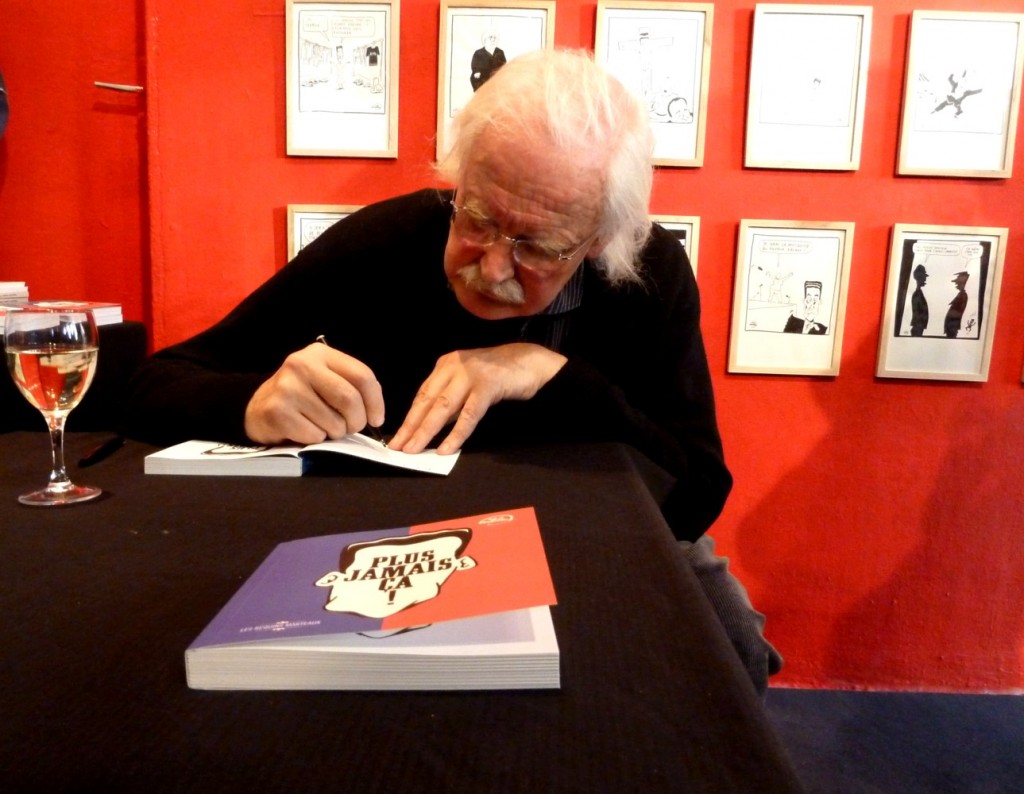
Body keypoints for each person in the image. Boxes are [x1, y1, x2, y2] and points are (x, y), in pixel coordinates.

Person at [121, 48, 781, 694]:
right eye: (479, 219)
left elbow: (695, 493)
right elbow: (152, 384)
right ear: (458, 181)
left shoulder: (648, 274)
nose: (491, 268)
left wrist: (552, 375)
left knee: (731, 644)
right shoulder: (387, 241)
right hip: (396, 534)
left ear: (598, 240)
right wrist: (251, 404)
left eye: (538, 247)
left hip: (591, 535)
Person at [944, 271, 969, 338]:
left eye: (958, 282)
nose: (956, 284)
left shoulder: (963, 295)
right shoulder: (961, 295)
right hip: (951, 325)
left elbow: (958, 311)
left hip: (953, 325)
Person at [910, 264, 929, 337]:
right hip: (918, 327)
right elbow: (918, 312)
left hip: (919, 326)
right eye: (924, 277)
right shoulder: (917, 294)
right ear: (919, 278)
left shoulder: (919, 293)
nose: (925, 279)